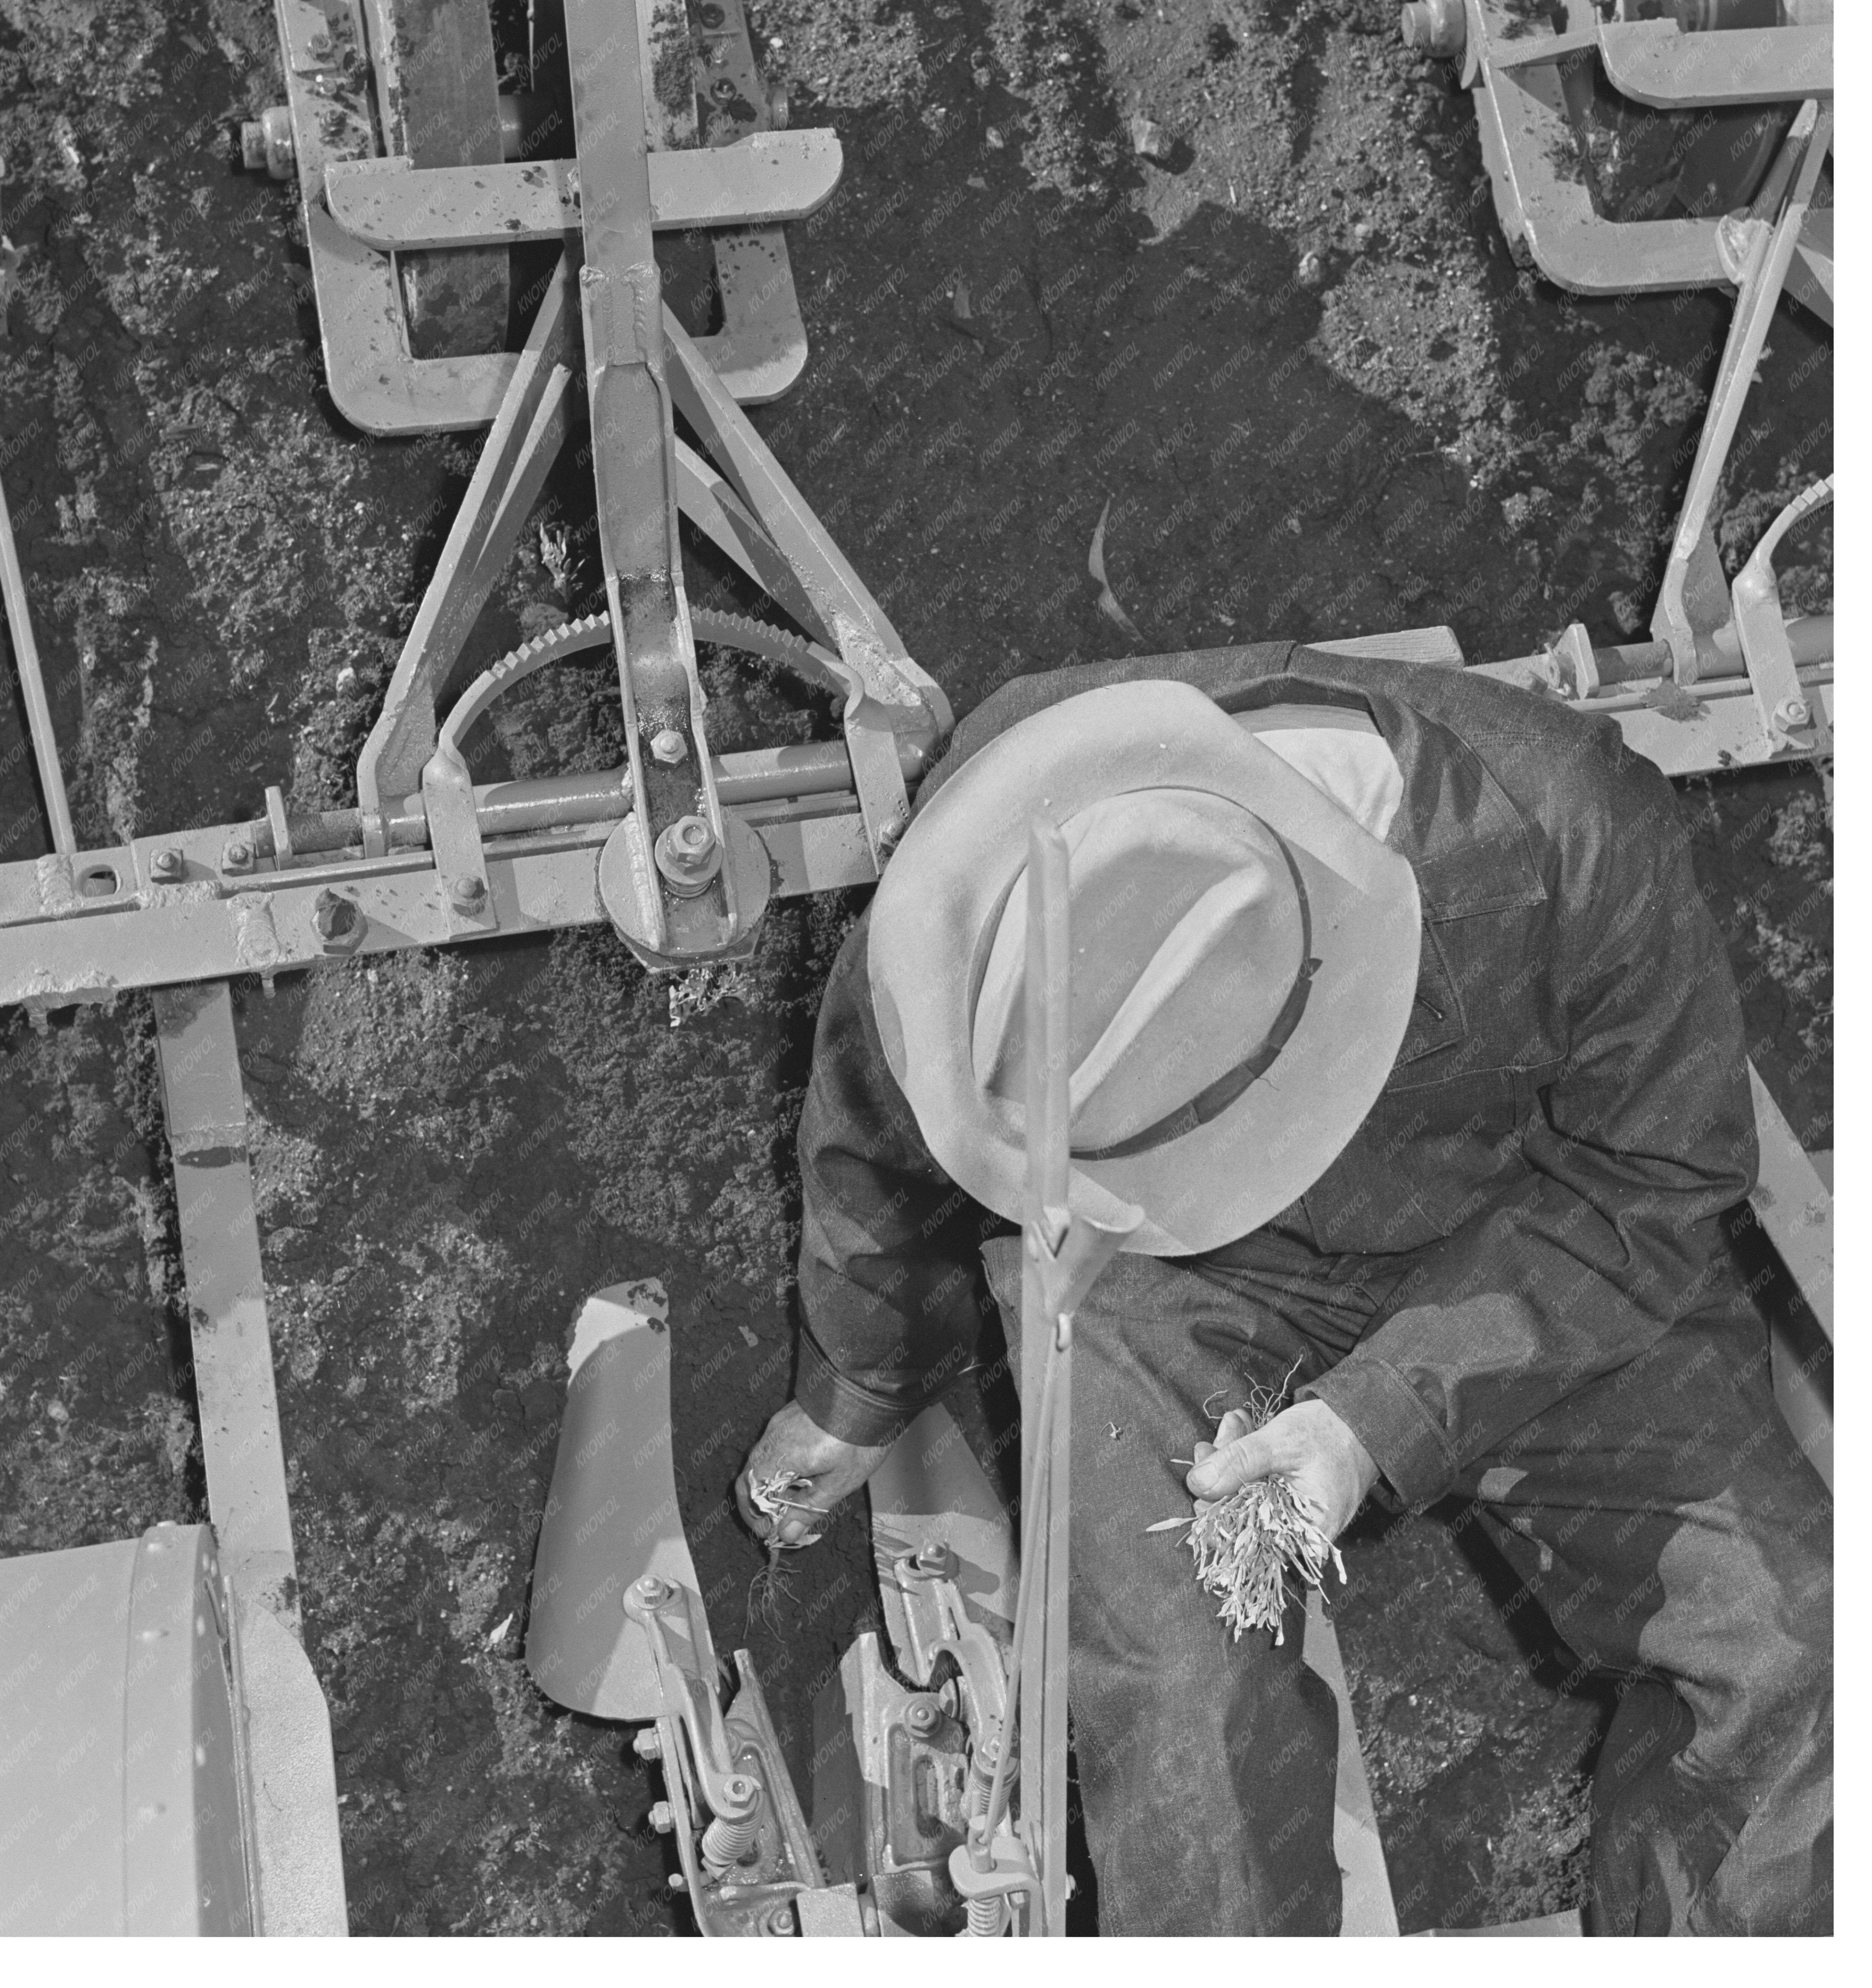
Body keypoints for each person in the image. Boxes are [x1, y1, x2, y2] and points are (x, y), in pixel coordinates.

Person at [734, 643, 1832, 1936]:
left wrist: (1378, 1412)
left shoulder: (1571, 831)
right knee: (1192, 1738)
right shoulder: (973, 887)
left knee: (1804, 1657)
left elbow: (1657, 1170)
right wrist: (859, 1382)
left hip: (1527, 1235)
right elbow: (874, 1135)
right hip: (1164, 1271)